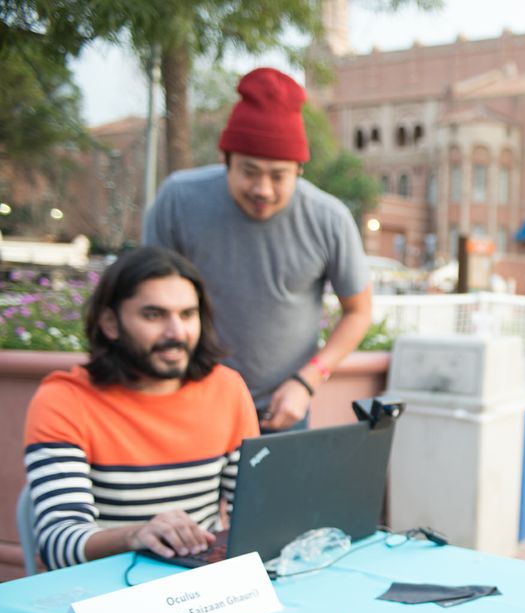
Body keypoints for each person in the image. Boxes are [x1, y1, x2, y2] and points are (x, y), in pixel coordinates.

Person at [143, 67, 372, 431]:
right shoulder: (179, 199)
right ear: (226, 160)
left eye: (278, 175)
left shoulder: (330, 219)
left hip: (282, 409)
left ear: (299, 170)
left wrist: (308, 380)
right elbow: (147, 296)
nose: (263, 189)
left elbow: (358, 312)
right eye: (249, 171)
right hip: (186, 401)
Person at [23, 247, 259, 570]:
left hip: (203, 585)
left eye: (188, 314)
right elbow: (57, 543)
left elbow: (251, 516)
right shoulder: (63, 400)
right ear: (110, 323)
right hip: (102, 592)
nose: (177, 333)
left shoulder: (227, 388)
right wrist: (136, 535)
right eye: (154, 315)